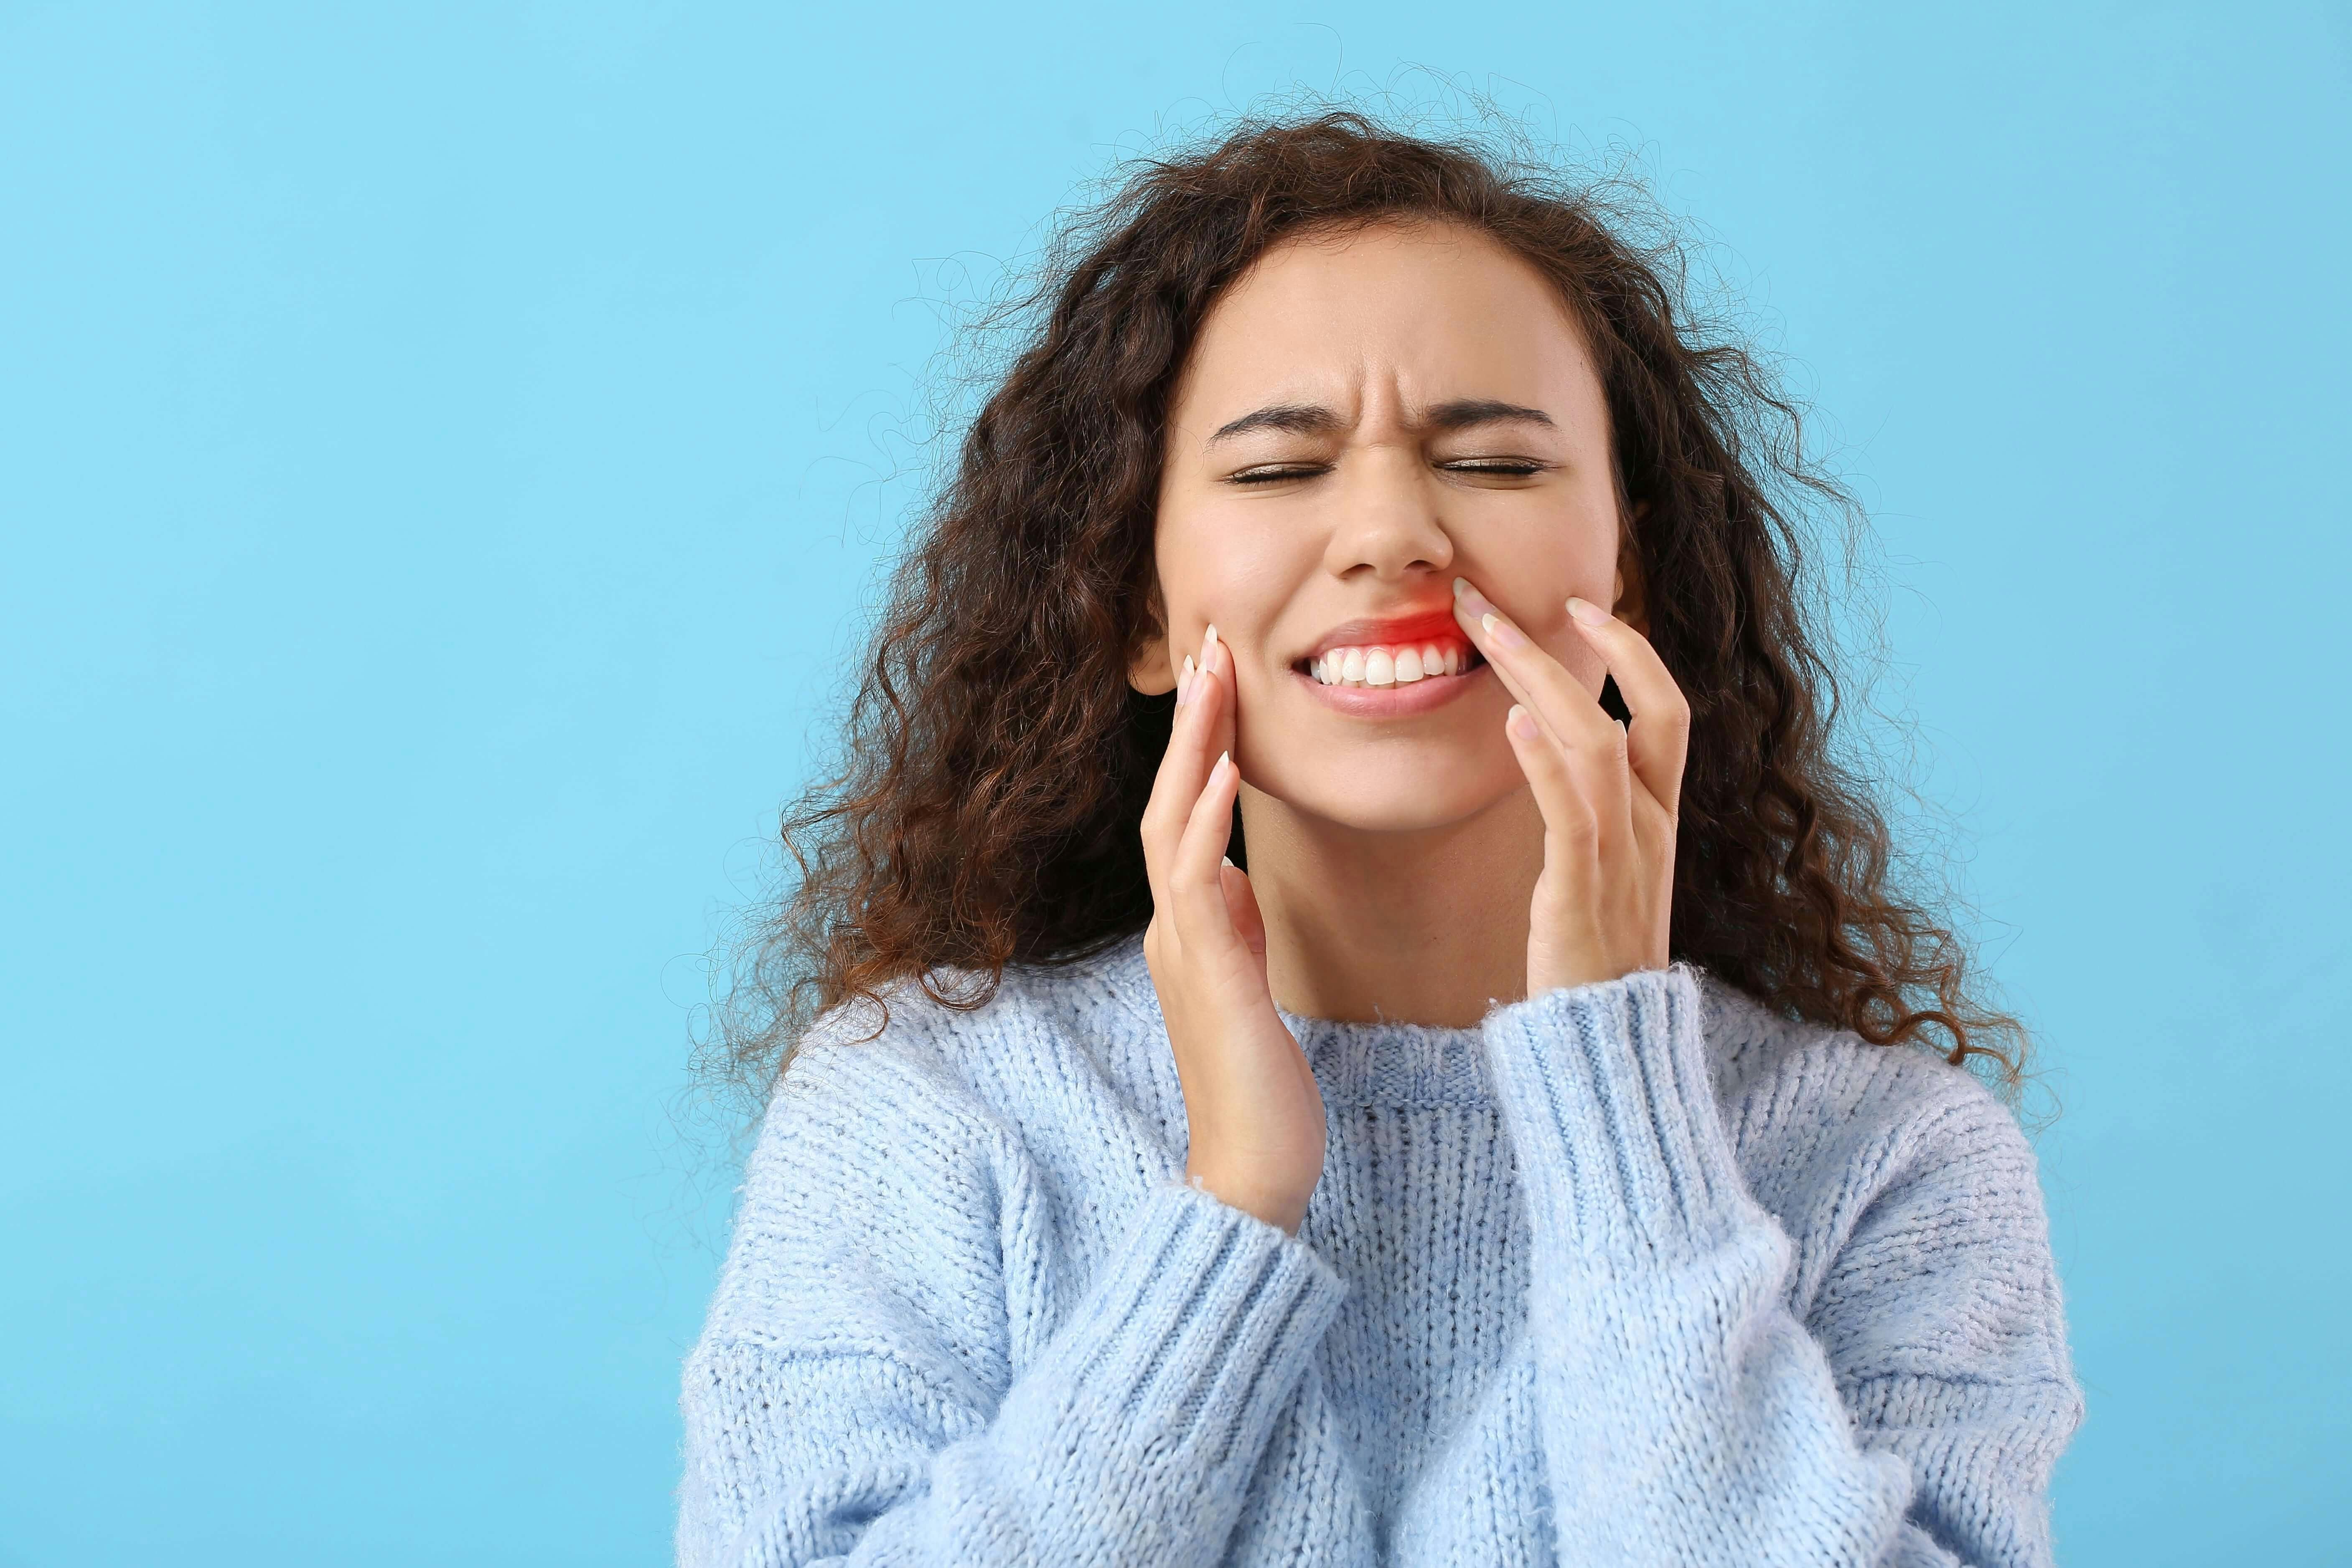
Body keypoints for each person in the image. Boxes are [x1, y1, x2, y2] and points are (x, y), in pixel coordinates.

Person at [677, 112, 2084, 1566]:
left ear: (1631, 572)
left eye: (1496, 463)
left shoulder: (1893, 1165)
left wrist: (1622, 1107)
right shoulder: (921, 1115)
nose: (1394, 534)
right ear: (1138, 606)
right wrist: (1230, 1206)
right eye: (1280, 469)